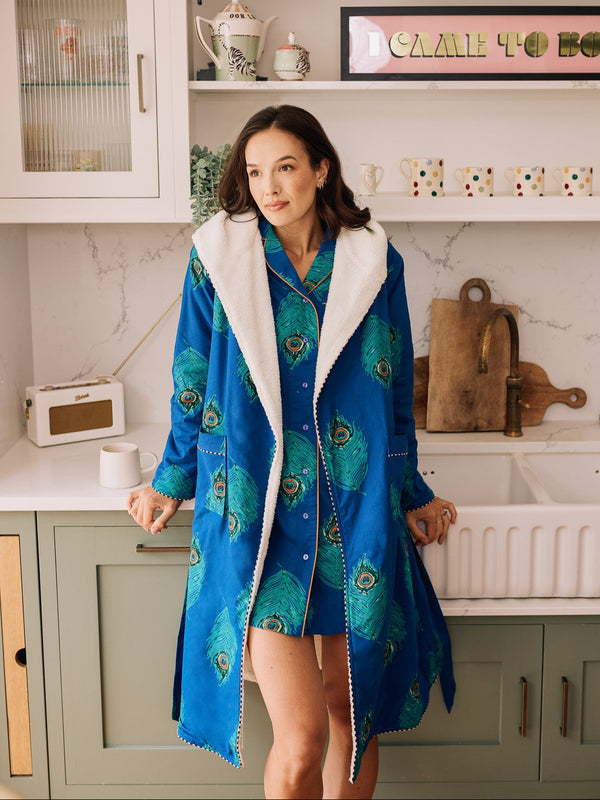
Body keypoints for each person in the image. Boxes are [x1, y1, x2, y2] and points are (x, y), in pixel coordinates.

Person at [127, 104, 457, 800]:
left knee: (351, 718)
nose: (269, 186)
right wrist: (169, 481)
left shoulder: (373, 262)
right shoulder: (220, 258)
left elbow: (395, 391)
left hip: (351, 516)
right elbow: (191, 379)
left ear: (319, 169)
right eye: (254, 171)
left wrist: (413, 494)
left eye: (284, 167)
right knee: (301, 739)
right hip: (261, 519)